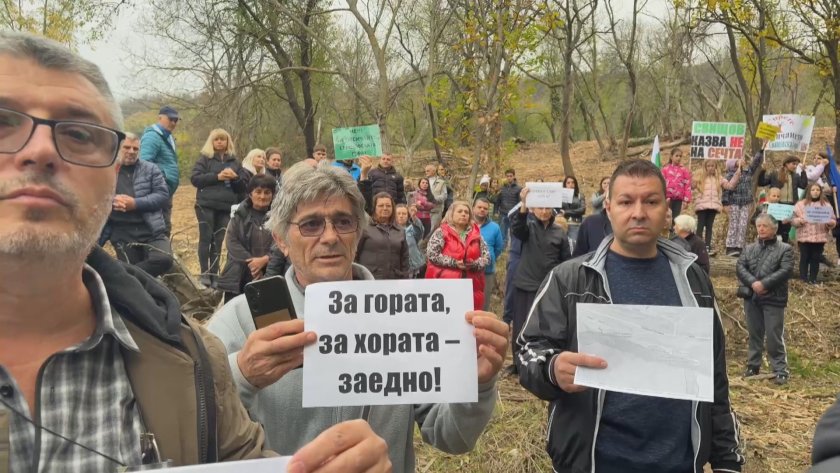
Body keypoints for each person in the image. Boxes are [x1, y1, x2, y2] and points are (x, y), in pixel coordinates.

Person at [0, 30, 390, 473]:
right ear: (281, 237)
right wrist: (244, 372)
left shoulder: (190, 355)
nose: (40, 151)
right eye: (2, 122)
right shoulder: (224, 333)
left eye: (78, 135)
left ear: (114, 176)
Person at [206, 162, 508, 472]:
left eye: (343, 221)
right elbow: (190, 431)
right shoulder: (237, 323)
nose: (329, 237)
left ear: (358, 232)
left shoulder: (405, 316)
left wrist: (478, 383)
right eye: (310, 224)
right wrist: (240, 375)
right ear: (281, 239)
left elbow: (451, 438)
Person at [517, 159, 743, 473]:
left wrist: (728, 462)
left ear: (668, 209)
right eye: (626, 201)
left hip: (677, 462)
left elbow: (715, 377)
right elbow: (528, 351)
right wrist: (553, 368)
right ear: (608, 208)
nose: (638, 212)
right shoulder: (570, 279)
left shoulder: (694, 280)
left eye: (650, 201)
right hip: (593, 463)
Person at [510, 188, 571, 375]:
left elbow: (565, 261)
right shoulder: (528, 228)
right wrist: (522, 204)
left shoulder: (559, 233)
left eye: (547, 208)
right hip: (526, 284)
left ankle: (539, 362)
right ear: (533, 210)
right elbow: (517, 228)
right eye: (540, 208)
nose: (544, 211)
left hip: (548, 287)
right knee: (521, 325)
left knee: (545, 326)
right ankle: (518, 363)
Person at [104, 133, 173, 277]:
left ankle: (125, 276)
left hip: (151, 229)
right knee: (140, 275)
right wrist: (113, 201)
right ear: (117, 148)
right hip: (122, 232)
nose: (131, 151)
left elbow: (163, 196)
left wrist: (134, 204)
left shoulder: (151, 169)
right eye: (127, 147)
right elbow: (94, 197)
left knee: (164, 259)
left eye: (135, 149)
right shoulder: (106, 170)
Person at [736, 213, 794, 385]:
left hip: (773, 298)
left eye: (765, 226)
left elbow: (786, 270)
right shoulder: (749, 248)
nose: (761, 229)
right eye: (759, 226)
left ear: (773, 229)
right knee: (754, 334)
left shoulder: (785, 249)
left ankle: (780, 369)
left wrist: (764, 284)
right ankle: (753, 365)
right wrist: (754, 283)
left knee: (774, 334)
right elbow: (740, 266)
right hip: (752, 297)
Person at [190, 129, 246, 288]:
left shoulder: (235, 161)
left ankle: (214, 273)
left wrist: (235, 177)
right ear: (211, 142)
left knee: (218, 240)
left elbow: (243, 186)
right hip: (206, 205)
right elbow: (195, 178)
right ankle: (204, 273)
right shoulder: (205, 159)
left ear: (228, 142)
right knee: (205, 238)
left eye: (223, 139)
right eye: (216, 139)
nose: (220, 142)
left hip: (226, 206)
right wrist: (217, 177)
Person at [217, 175, 277, 302]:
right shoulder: (239, 216)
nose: (262, 196)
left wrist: (265, 259)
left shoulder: (279, 218)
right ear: (250, 194)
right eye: (258, 192)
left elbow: (282, 242)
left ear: (273, 195)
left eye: (267, 192)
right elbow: (232, 242)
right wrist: (253, 264)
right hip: (238, 275)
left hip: (271, 271)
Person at [425, 201, 490, 309]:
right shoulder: (441, 232)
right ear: (451, 214)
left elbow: (486, 257)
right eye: (459, 211)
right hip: (444, 285)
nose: (463, 214)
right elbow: (431, 254)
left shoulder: (476, 235)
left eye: (466, 212)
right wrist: (454, 263)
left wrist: (474, 264)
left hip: (472, 285)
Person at [140, 105, 179, 235]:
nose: (173, 122)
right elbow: (144, 163)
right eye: (170, 119)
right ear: (160, 117)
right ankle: (160, 254)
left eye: (176, 120)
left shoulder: (167, 137)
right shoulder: (153, 137)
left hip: (165, 190)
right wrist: (161, 180)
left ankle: (163, 253)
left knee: (165, 226)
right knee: (160, 228)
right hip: (157, 190)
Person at [355, 192, 409, 279]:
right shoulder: (365, 228)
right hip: (369, 281)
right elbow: (354, 254)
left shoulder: (400, 231)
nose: (385, 208)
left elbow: (404, 259)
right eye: (381, 205)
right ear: (374, 208)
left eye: (388, 205)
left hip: (394, 281)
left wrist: (405, 279)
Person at [792, 183, 837, 284]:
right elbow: (793, 219)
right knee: (804, 257)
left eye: (817, 190)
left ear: (821, 192)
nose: (815, 192)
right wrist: (799, 221)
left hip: (819, 237)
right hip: (804, 236)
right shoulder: (800, 204)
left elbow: (833, 220)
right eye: (813, 190)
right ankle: (803, 278)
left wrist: (830, 222)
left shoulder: (826, 205)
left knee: (815, 258)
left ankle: (813, 279)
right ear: (809, 191)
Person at [723, 149, 764, 256]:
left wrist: (761, 151)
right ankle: (730, 247)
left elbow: (755, 163)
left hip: (746, 203)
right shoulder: (729, 175)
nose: (741, 161)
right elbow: (726, 191)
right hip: (734, 204)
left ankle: (739, 247)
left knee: (742, 225)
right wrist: (725, 204)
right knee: (733, 225)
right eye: (738, 161)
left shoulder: (747, 172)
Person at [694, 159, 739, 256]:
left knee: (709, 227)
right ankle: (697, 247)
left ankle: (707, 247)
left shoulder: (719, 178)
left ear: (715, 167)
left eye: (712, 166)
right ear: (705, 167)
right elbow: (692, 186)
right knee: (700, 226)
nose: (710, 168)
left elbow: (730, 186)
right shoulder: (701, 177)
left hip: (713, 206)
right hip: (702, 205)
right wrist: (692, 178)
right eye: (708, 166)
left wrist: (737, 174)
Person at [474, 198, 505, 312]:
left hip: (486, 272)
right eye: (479, 207)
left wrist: (490, 258)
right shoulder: (466, 224)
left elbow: (498, 248)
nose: (482, 210)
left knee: (483, 304)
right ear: (473, 208)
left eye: (485, 208)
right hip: (467, 272)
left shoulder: (494, 227)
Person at [395, 204, 425, 278]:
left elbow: (420, 230)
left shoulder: (411, 229)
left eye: (404, 214)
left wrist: (414, 217)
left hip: (415, 268)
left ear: (407, 216)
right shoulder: (388, 231)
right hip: (398, 269)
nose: (401, 216)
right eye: (398, 213)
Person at [662, 148, 692, 218]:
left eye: (680, 156)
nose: (679, 158)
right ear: (671, 157)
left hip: (678, 199)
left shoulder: (684, 170)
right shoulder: (665, 170)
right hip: (667, 198)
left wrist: (686, 200)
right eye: (676, 156)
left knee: (675, 217)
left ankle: (673, 229)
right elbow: (661, 183)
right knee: (667, 216)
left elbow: (687, 185)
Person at [494, 168, 522, 246]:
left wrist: (519, 213)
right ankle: (502, 250)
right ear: (505, 177)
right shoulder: (501, 188)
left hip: (514, 214)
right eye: (507, 176)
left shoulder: (519, 188)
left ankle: (513, 249)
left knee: (514, 233)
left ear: (514, 176)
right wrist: (496, 211)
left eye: (510, 176)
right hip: (503, 213)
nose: (509, 178)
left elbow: (520, 203)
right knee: (502, 233)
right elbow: (497, 201)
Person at [558, 176, 585, 251]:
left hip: (575, 224)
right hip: (562, 224)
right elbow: (556, 209)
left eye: (573, 182)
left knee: (574, 245)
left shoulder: (580, 195)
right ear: (565, 184)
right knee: (563, 247)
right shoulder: (560, 196)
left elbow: (582, 209)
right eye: (568, 183)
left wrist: (566, 212)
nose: (571, 184)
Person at [426, 163, 448, 231]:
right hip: (424, 211)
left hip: (436, 211)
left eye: (427, 171)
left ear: (433, 171)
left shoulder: (441, 182)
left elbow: (444, 196)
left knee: (433, 230)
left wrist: (434, 199)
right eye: (425, 171)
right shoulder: (423, 181)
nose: (426, 172)